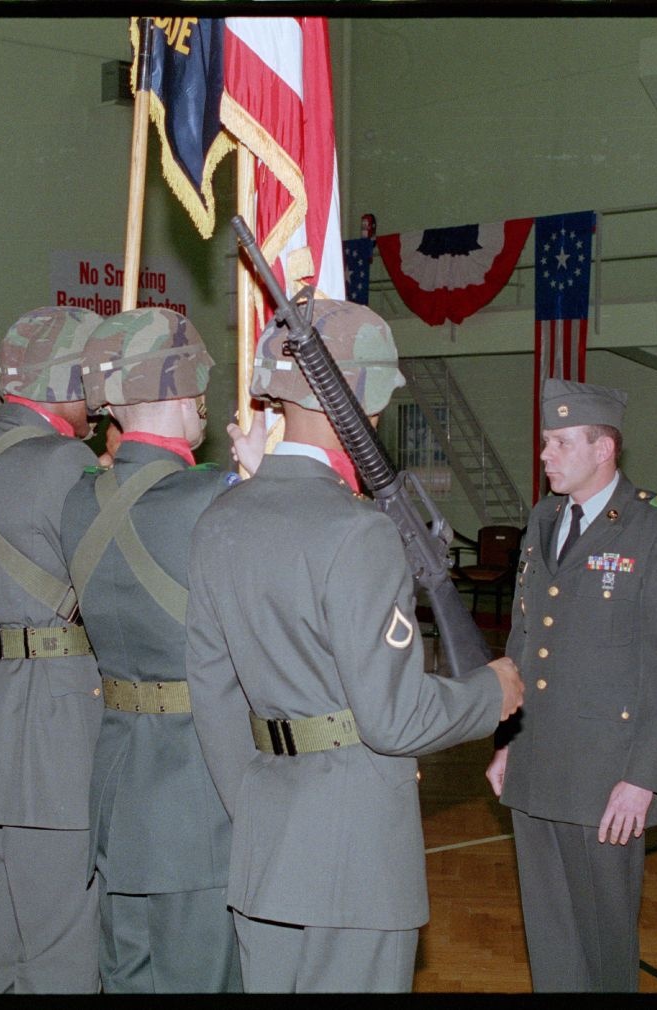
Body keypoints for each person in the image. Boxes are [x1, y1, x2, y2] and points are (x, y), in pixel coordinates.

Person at [185, 298, 523, 993]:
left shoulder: (222, 518)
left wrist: (252, 806)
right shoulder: (358, 532)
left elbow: (214, 697)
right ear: (365, 404)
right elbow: (393, 717)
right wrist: (491, 693)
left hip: (265, 844)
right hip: (357, 858)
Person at [485, 378, 657, 992]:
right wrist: (506, 740)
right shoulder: (545, 516)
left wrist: (645, 777)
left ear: (603, 448)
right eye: (546, 441)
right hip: (536, 761)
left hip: (608, 775)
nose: (545, 454)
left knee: (606, 940)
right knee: (550, 936)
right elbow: (523, 637)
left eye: (558, 442)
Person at [57, 308, 241, 993]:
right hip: (195, 795)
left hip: (117, 787)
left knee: (127, 975)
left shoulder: (82, 499)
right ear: (181, 390)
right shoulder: (214, 497)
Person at [0, 306, 105, 993]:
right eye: (88, 376)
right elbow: (106, 594)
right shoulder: (68, 462)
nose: (98, 393)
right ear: (60, 379)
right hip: (56, 732)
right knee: (63, 944)